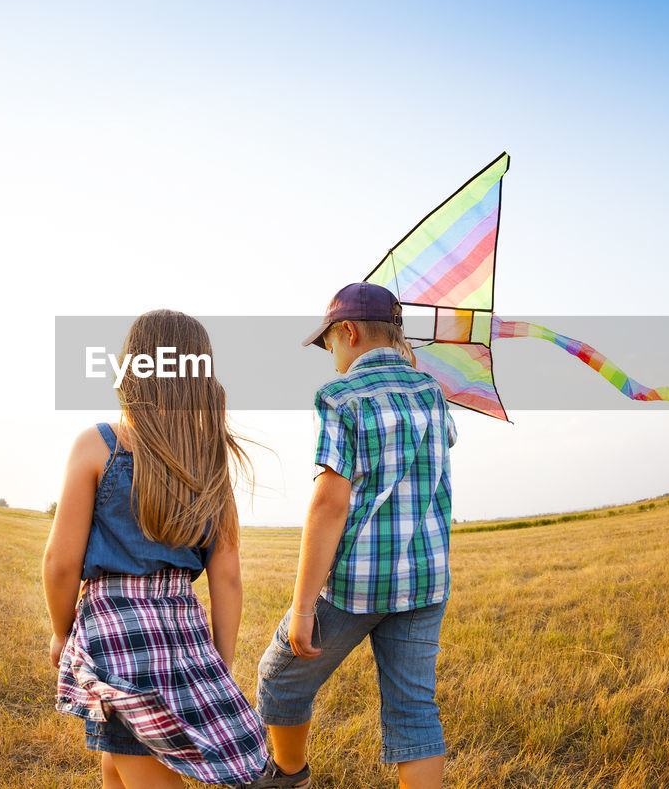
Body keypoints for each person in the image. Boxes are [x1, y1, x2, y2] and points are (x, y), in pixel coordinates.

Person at [44, 309, 267, 788]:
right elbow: (226, 578)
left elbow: (60, 565)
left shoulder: (97, 445)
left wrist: (62, 634)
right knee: (118, 757)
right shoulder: (211, 462)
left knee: (133, 758)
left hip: (113, 635)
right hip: (182, 632)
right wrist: (220, 663)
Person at [245, 283, 456, 789]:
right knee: (414, 711)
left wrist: (301, 609)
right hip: (425, 580)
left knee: (279, 678)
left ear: (349, 331)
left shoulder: (339, 397)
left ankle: (288, 774)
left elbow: (329, 503)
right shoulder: (432, 393)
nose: (331, 357)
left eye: (329, 344)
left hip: (356, 585)